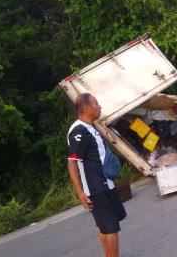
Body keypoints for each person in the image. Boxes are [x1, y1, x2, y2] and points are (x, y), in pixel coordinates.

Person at [67, 93, 126, 257]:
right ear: (86, 108)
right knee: (111, 229)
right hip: (96, 189)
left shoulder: (90, 127)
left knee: (105, 227)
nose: (99, 107)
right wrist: (80, 193)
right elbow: (72, 162)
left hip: (106, 184)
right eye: (96, 104)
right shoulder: (79, 131)